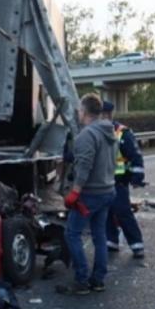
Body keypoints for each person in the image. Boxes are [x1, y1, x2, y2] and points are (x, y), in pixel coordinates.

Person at [58, 93, 117, 295]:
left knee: (72, 233)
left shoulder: (87, 135)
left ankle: (81, 280)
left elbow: (84, 165)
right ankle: (98, 280)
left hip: (90, 194)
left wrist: (75, 191)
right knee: (99, 235)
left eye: (79, 110)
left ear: (83, 111)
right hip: (108, 190)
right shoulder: (110, 131)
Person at [101, 101, 147, 259]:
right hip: (103, 182)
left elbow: (135, 156)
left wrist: (137, 177)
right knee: (106, 212)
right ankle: (111, 242)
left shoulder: (122, 133)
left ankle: (137, 245)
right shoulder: (96, 132)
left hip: (119, 181)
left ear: (107, 114)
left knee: (122, 211)